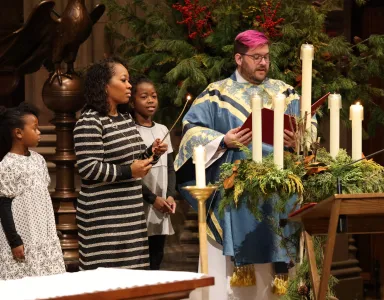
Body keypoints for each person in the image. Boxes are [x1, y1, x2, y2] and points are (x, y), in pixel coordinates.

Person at [175, 30, 317, 299]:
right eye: (257, 57)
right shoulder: (216, 94)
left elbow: (309, 126)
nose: (264, 63)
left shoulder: (284, 92)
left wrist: (299, 136)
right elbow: (191, 130)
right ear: (239, 58)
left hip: (280, 193)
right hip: (235, 196)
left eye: (266, 57)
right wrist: (222, 140)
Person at [73, 57, 173, 271]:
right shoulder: (90, 120)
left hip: (131, 215)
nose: (129, 85)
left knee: (133, 281)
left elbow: (136, 159)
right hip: (104, 218)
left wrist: (152, 154)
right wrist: (129, 171)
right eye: (124, 80)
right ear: (105, 86)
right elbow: (88, 168)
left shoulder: (124, 119)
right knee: (106, 283)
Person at [0, 103, 65, 280]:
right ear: (18, 133)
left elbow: (43, 197)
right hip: (24, 235)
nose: (39, 132)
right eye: (34, 128)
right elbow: (4, 206)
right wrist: (14, 240)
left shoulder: (39, 160)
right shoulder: (7, 165)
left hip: (43, 233)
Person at [129, 77, 177, 270]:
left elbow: (171, 167)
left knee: (156, 259)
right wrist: (151, 198)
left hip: (162, 205)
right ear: (132, 102)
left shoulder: (162, 129)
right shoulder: (130, 131)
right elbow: (132, 172)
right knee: (140, 262)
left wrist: (171, 195)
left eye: (154, 96)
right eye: (144, 96)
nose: (150, 100)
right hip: (142, 204)